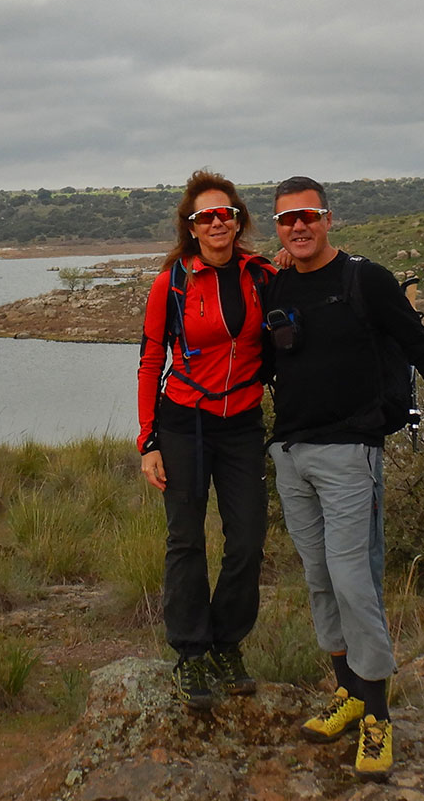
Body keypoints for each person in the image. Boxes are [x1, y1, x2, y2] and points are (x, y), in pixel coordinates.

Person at [263, 176, 424, 780]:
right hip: (291, 454)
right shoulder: (274, 285)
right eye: (287, 219)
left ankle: (378, 719)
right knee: (320, 581)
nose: (299, 227)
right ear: (277, 226)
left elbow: (422, 348)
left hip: (351, 453)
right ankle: (347, 691)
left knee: (353, 582)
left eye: (310, 216)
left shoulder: (364, 279)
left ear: (329, 219)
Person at [136, 169, 277, 710]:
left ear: (239, 221)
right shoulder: (171, 282)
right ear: (190, 227)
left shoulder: (262, 275)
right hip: (183, 425)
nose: (218, 222)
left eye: (227, 214)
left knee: (246, 542)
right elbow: (152, 361)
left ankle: (227, 644)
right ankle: (192, 654)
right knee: (187, 541)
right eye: (206, 216)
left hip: (241, 424)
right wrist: (148, 442)